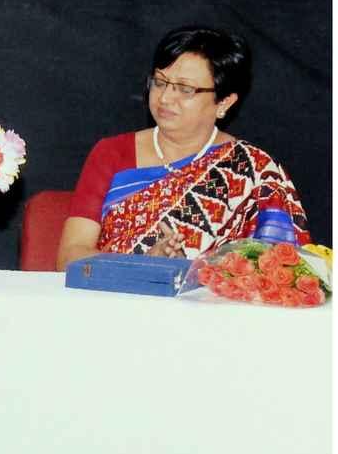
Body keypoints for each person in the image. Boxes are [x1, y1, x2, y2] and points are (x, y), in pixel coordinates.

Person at [56, 25, 309, 271]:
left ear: (224, 102)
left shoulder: (255, 170)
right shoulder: (112, 152)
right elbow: (69, 258)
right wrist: (141, 263)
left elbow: (283, 274)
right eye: (160, 82)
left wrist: (189, 271)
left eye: (185, 89)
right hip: (109, 297)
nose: (165, 98)